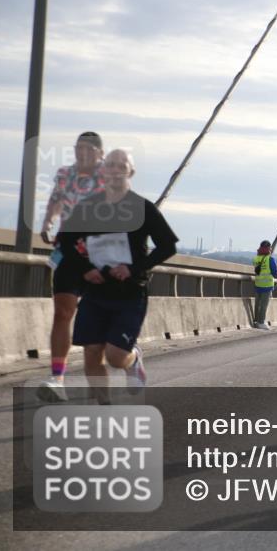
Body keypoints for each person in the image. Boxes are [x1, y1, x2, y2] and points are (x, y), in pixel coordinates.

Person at [58, 149, 178, 400]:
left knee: (115, 357)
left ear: (130, 172)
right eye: (110, 165)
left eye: (121, 166)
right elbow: (65, 241)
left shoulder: (143, 208)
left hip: (130, 293)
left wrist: (133, 268)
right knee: (92, 352)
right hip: (95, 290)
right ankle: (104, 408)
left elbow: (167, 246)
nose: (115, 170)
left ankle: (133, 359)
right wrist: (85, 270)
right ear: (103, 171)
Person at [36, 132, 106, 402]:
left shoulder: (110, 176)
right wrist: (48, 222)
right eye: (78, 148)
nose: (81, 153)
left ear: (100, 153)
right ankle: (57, 378)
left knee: (101, 319)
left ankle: (128, 353)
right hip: (68, 251)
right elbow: (56, 200)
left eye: (88, 149)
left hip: (100, 255)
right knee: (63, 312)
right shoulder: (65, 174)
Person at [252, 240, 277, 329]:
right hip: (267, 286)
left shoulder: (256, 259)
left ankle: (256, 321)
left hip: (258, 284)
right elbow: (275, 273)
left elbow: (258, 268)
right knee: (264, 305)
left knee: (257, 304)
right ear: (268, 248)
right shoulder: (270, 259)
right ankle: (261, 322)